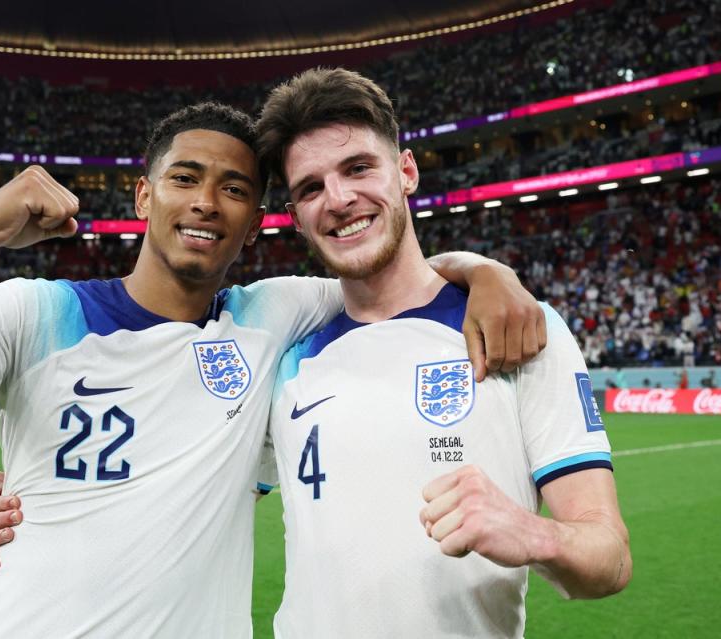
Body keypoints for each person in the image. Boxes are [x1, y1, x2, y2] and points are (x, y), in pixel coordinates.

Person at [0, 102, 544, 637]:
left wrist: (489, 274)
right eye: (185, 177)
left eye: (234, 188)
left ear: (257, 221)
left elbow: (394, 270)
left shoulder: (271, 317)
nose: (206, 201)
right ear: (143, 196)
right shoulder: (32, 313)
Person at [254, 68, 631, 637]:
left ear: (405, 171)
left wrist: (536, 535)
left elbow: (610, 560)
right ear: (295, 217)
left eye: (358, 167)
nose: (338, 198)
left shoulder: (520, 329)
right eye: (310, 187)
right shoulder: (284, 355)